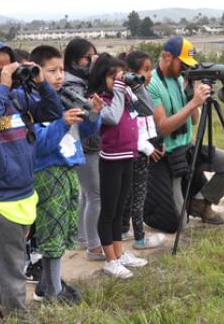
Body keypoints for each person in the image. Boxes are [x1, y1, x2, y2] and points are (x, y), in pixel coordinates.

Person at [0, 38, 62, 322]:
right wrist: (3, 88)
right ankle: (19, 317)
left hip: (23, 193)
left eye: (9, 69)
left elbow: (53, 112)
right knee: (14, 268)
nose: (5, 75)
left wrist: (41, 83)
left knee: (10, 261)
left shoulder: (20, 99)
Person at [29, 45, 102, 304]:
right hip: (49, 173)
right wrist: (62, 123)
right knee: (52, 234)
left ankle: (47, 285)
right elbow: (39, 144)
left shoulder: (68, 96)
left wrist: (93, 113)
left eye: (61, 69)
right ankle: (53, 292)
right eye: (52, 71)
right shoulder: (33, 102)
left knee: (61, 230)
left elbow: (87, 132)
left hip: (69, 170)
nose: (59, 75)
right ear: (36, 72)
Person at [144, 36, 224, 232]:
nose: (185, 68)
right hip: (167, 155)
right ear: (168, 57)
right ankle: (187, 203)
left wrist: (192, 95)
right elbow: (162, 127)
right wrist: (193, 103)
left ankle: (199, 203)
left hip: (187, 149)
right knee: (178, 225)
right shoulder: (152, 84)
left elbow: (194, 121)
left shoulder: (181, 79)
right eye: (183, 63)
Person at [88, 53, 148, 279]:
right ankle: (110, 260)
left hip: (128, 157)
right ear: (102, 78)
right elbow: (112, 118)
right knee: (109, 211)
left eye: (121, 76)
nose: (118, 81)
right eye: (113, 77)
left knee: (120, 208)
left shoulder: (125, 94)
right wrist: (122, 89)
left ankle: (120, 253)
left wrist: (137, 87)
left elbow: (147, 109)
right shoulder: (99, 99)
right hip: (111, 160)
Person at [119, 51, 165, 250]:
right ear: (131, 73)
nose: (150, 74)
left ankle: (123, 229)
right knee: (138, 196)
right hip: (138, 152)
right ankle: (139, 238)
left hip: (139, 150)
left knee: (129, 195)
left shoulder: (132, 93)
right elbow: (132, 127)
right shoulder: (133, 95)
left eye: (150, 69)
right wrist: (148, 148)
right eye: (146, 70)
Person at [63, 38, 104, 260]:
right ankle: (94, 246)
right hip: (84, 144)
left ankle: (82, 237)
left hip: (85, 143)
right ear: (73, 59)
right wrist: (97, 77)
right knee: (95, 194)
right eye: (87, 57)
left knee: (87, 194)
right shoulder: (72, 84)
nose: (91, 61)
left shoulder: (79, 80)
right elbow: (85, 112)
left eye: (94, 57)